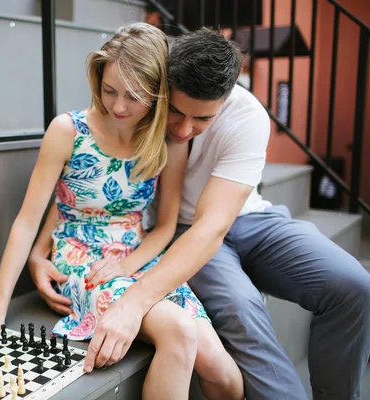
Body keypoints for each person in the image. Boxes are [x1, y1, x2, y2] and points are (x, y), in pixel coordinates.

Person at [29, 27, 370, 400]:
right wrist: (39, 248)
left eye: (202, 120)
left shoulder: (248, 116)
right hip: (182, 232)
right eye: (175, 111)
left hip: (247, 219)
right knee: (241, 308)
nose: (183, 128)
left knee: (355, 285)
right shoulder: (138, 102)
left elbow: (214, 226)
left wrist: (136, 300)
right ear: (163, 84)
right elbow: (82, 183)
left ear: (225, 101)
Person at [0, 23, 244, 400]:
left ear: (157, 95)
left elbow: (165, 226)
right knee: (180, 332)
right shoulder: (68, 131)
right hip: (82, 262)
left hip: (138, 259)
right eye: (110, 91)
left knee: (223, 374)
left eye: (134, 96)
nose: (119, 105)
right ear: (97, 80)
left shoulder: (165, 141)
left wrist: (128, 265)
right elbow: (28, 220)